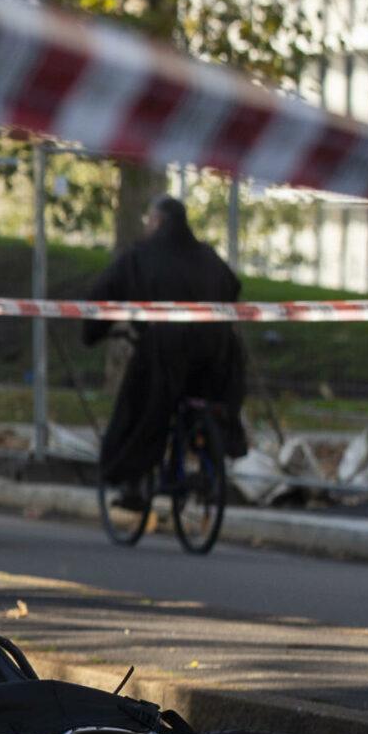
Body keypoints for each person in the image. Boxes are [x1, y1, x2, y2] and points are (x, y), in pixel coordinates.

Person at [82, 195, 250, 505]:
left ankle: (131, 482)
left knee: (139, 409)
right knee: (210, 406)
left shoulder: (141, 256)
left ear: (157, 222)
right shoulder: (209, 257)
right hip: (218, 354)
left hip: (166, 352)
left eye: (149, 221)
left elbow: (104, 295)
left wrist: (92, 332)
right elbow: (232, 287)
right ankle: (209, 463)